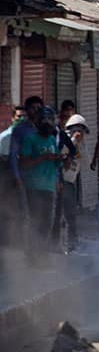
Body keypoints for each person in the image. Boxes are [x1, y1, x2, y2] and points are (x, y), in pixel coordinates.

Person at [19, 106, 63, 259]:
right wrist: (42, 158)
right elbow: (24, 162)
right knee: (35, 221)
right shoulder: (30, 139)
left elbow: (56, 162)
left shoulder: (51, 139)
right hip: (34, 186)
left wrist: (61, 160)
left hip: (49, 186)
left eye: (49, 120)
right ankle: (31, 254)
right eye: (43, 120)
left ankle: (42, 254)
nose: (47, 123)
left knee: (47, 222)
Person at [55, 114, 88, 253]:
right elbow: (60, 154)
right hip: (60, 181)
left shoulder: (82, 144)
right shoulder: (64, 140)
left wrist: (80, 145)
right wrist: (73, 141)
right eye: (76, 130)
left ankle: (71, 244)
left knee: (71, 216)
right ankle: (60, 245)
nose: (79, 133)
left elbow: (86, 162)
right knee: (59, 216)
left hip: (71, 182)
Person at [0, 106, 26, 248]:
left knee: (23, 214)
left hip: (25, 181)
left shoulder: (28, 136)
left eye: (24, 117)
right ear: (12, 118)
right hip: (7, 183)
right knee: (7, 214)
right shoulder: (5, 138)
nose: (21, 120)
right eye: (18, 117)